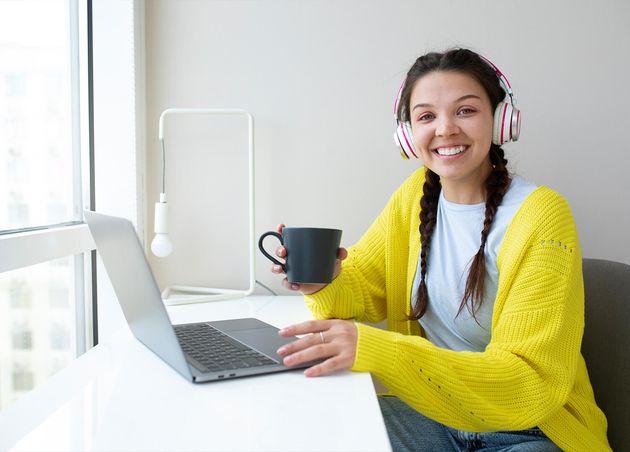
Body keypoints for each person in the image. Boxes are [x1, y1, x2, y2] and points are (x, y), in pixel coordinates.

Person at [270, 48, 610, 451]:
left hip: (533, 429)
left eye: (465, 111)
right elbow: (363, 285)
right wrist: (321, 280)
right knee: (310, 428)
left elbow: (527, 382)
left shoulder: (543, 216)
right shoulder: (415, 196)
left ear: (501, 120)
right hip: (435, 415)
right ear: (408, 135)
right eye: (427, 116)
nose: (445, 129)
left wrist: (378, 350)